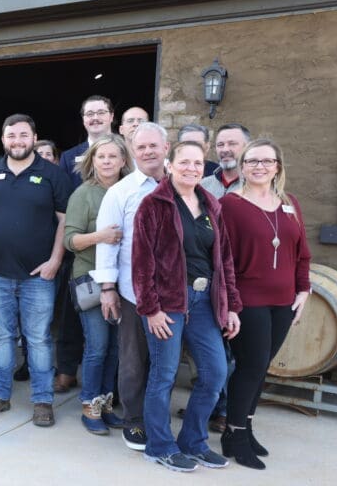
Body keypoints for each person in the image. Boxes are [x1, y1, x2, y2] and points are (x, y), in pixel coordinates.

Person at [131, 140, 241, 472]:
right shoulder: (153, 205)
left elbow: (224, 261)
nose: (191, 168)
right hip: (169, 303)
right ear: (170, 164)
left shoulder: (211, 205)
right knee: (163, 375)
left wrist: (232, 306)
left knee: (215, 373)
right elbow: (141, 262)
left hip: (205, 302)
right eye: (185, 162)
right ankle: (159, 445)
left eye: (197, 163)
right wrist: (150, 308)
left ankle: (192, 441)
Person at [0, 114, 71, 427]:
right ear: (3, 140)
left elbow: (65, 220)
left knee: (37, 339)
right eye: (11, 136)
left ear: (34, 138)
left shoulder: (52, 174)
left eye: (23, 135)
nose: (17, 141)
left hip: (38, 276)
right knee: (0, 336)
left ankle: (42, 400)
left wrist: (55, 261)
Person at [220, 138, 311, 470]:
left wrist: (303, 289)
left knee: (261, 369)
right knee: (251, 367)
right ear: (242, 167)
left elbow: (302, 253)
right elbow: (223, 258)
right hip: (249, 301)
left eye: (266, 161)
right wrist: (230, 303)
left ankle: (246, 427)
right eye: (252, 161)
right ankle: (235, 434)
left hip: (284, 301)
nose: (259, 167)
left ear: (278, 167)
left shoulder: (290, 203)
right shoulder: (231, 204)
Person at [90, 121, 169, 451]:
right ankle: (134, 420)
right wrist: (107, 288)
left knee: (165, 361)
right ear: (133, 153)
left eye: (154, 145)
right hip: (133, 292)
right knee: (134, 360)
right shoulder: (120, 192)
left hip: (175, 294)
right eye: (142, 147)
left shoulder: (182, 186)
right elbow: (108, 243)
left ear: (166, 148)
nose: (148, 151)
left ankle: (158, 419)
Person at [63, 134, 130, 435]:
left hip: (122, 280)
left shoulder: (131, 191)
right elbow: (70, 240)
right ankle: (89, 404)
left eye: (112, 156)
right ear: (92, 160)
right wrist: (99, 237)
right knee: (98, 345)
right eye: (101, 156)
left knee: (116, 347)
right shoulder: (83, 194)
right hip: (89, 279)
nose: (106, 161)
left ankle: (106, 403)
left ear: (123, 161)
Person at [57, 96, 114, 393]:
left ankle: (110, 387)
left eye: (100, 113)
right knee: (72, 312)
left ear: (110, 116)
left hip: (115, 254)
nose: (94, 118)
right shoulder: (70, 156)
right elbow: (65, 203)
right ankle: (67, 369)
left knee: (110, 333)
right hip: (80, 246)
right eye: (88, 113)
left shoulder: (123, 152)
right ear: (82, 119)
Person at [201, 123, 251, 198]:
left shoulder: (256, 185)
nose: (225, 150)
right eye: (220, 145)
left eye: (232, 144)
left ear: (247, 147)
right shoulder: (203, 186)